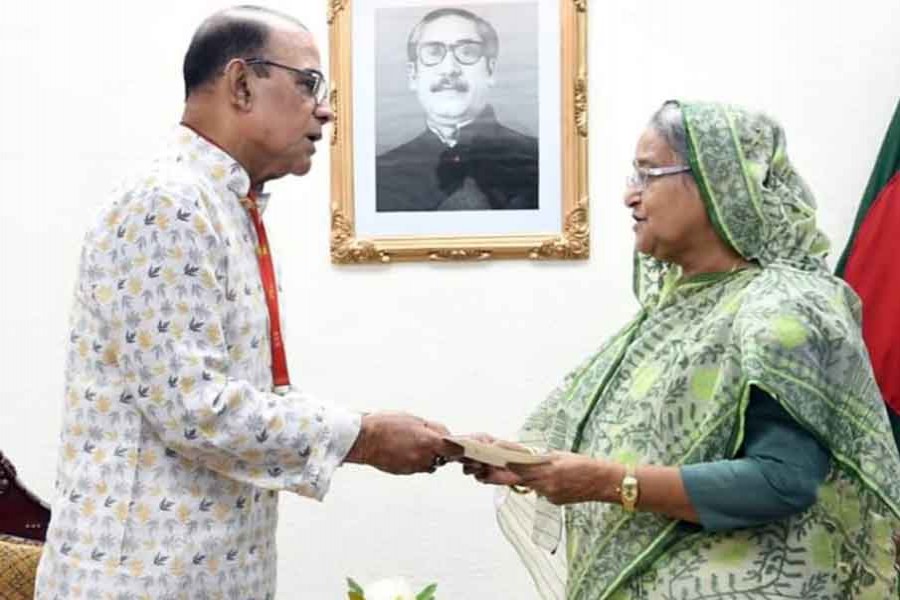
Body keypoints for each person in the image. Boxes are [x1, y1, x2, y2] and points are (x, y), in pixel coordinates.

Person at [35, 7, 458, 599]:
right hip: (144, 582)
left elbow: (243, 398)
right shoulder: (169, 203)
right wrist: (361, 436)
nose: (325, 109)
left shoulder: (227, 205)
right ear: (241, 84)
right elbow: (197, 410)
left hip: (207, 574)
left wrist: (368, 429)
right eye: (309, 83)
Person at [464, 101, 900, 599]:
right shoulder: (673, 311)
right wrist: (529, 464)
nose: (630, 195)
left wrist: (609, 484)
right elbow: (634, 448)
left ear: (721, 179)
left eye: (648, 174)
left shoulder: (784, 306)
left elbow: (785, 479)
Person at [376, 7, 539, 212]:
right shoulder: (380, 175)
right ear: (413, 76)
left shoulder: (538, 163)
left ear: (490, 70)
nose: (449, 69)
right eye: (433, 52)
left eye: (467, 52)